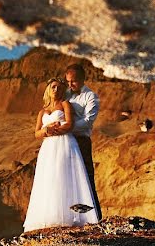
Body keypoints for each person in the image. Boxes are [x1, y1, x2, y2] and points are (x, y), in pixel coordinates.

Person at [22, 78, 100, 233]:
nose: (56, 89)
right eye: (53, 87)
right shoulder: (42, 112)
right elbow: (37, 133)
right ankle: (51, 216)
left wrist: (55, 130)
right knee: (49, 178)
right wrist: (46, 130)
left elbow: (70, 124)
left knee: (63, 176)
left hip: (64, 143)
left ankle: (71, 218)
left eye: (58, 87)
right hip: (48, 147)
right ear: (48, 90)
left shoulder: (65, 104)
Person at [49, 63, 101, 220]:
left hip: (81, 141)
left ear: (83, 79)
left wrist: (66, 127)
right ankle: (71, 218)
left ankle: (95, 217)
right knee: (67, 179)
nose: (70, 84)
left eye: (74, 81)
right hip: (65, 142)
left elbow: (88, 121)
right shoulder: (66, 95)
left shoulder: (91, 97)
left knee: (86, 179)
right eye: (68, 81)